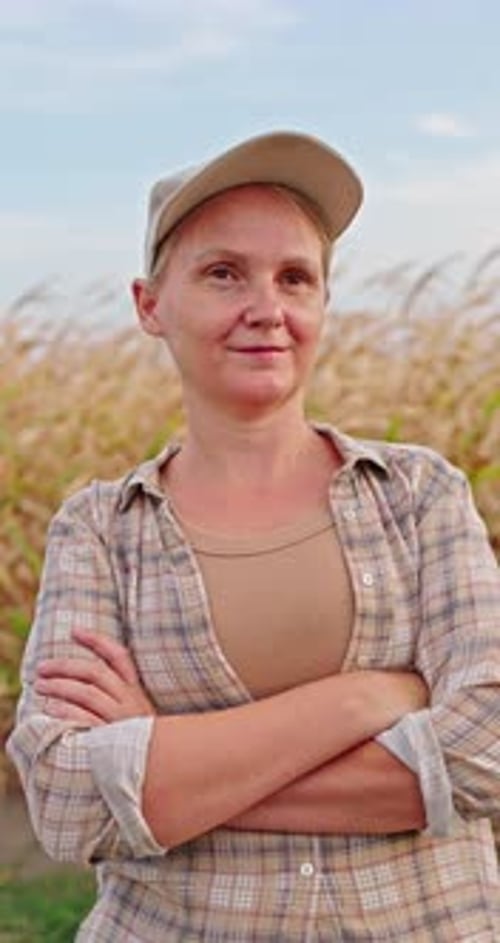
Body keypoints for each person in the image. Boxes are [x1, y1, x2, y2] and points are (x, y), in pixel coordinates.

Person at [7, 130, 500, 941]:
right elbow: (66, 800)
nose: (266, 308)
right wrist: (367, 698)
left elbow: (483, 750)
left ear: (321, 307)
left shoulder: (420, 496)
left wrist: (168, 767)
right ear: (150, 305)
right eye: (223, 272)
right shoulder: (98, 529)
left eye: (295, 277)